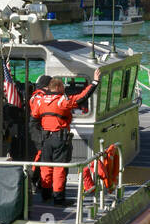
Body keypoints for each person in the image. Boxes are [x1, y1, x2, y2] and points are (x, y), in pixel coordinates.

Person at [31, 69, 101, 204]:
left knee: (46, 167)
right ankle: (58, 198)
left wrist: (38, 137)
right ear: (58, 87)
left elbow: (33, 119)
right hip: (59, 138)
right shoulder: (62, 100)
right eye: (63, 87)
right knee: (59, 169)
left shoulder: (39, 101)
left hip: (45, 139)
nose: (65, 89)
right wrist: (95, 82)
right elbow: (82, 97)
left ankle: (45, 195)